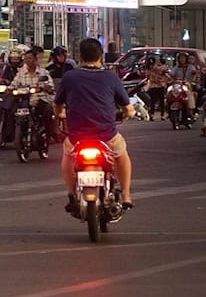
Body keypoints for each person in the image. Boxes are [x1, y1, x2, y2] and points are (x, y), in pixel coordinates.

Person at [54, 38, 134, 215]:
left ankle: (71, 193)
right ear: (101, 57)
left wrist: (60, 114)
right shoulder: (111, 77)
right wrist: (129, 114)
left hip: (77, 136)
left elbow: (57, 104)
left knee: (67, 157)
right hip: (107, 135)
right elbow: (128, 108)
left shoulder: (69, 77)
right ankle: (127, 194)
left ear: (80, 57)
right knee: (122, 156)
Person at [13, 46, 55, 139]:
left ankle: (48, 135)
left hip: (40, 99)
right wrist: (9, 89)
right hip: (24, 100)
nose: (28, 61)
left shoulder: (43, 72)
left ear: (35, 59)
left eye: (30, 58)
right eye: (26, 58)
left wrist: (44, 87)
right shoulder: (21, 73)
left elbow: (50, 87)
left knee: (47, 110)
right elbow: (14, 83)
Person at [169, 52, 198, 116]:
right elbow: (171, 74)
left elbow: (194, 74)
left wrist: (192, 80)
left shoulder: (191, 67)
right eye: (180, 58)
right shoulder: (176, 67)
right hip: (178, 86)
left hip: (187, 85)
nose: (182, 59)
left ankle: (191, 109)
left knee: (190, 95)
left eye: (183, 58)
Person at [145, 57, 170, 121]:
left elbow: (147, 76)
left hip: (155, 85)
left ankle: (154, 115)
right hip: (158, 85)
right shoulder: (161, 67)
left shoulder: (150, 68)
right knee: (159, 101)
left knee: (154, 101)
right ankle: (160, 115)